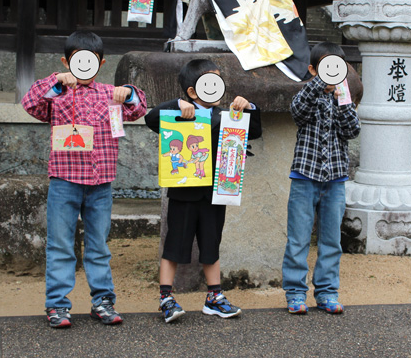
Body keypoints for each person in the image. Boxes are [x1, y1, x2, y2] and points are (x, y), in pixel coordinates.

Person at [22, 30, 147, 328]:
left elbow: (138, 107)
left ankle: (103, 301)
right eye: (77, 61)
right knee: (61, 244)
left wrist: (128, 92)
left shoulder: (109, 93)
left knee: (98, 245)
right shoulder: (57, 92)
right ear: (67, 62)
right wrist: (55, 81)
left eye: (90, 61)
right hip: (64, 180)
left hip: (101, 183)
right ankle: (57, 305)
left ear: (100, 63)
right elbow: (31, 104)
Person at [144, 59, 262, 323]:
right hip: (183, 192)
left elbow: (254, 130)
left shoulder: (227, 115)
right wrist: (176, 105)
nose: (215, 87)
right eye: (209, 81)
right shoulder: (178, 112)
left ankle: (214, 298)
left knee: (212, 243)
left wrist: (249, 107)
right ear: (192, 92)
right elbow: (150, 119)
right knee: (174, 245)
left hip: (216, 192)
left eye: (218, 81)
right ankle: (166, 297)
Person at [282, 41, 361, 315]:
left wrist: (342, 98)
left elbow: (352, 130)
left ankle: (327, 293)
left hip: (336, 180)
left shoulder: (343, 97)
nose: (331, 73)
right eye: (326, 67)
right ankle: (295, 293)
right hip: (305, 177)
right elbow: (298, 112)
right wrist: (319, 86)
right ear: (313, 70)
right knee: (298, 238)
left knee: (331, 241)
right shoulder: (307, 93)